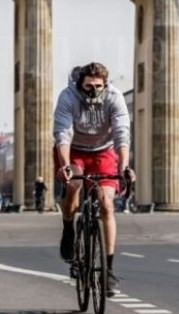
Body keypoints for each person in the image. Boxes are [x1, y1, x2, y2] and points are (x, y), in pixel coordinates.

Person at [54, 62, 133, 294]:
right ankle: (68, 227)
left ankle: (108, 270)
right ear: (80, 84)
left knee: (106, 204)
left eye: (98, 86)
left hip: (103, 151)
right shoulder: (68, 97)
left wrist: (124, 166)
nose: (93, 90)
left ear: (105, 84)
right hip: (74, 151)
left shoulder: (114, 97)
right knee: (74, 183)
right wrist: (65, 166)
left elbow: (121, 133)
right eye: (89, 86)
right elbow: (62, 134)